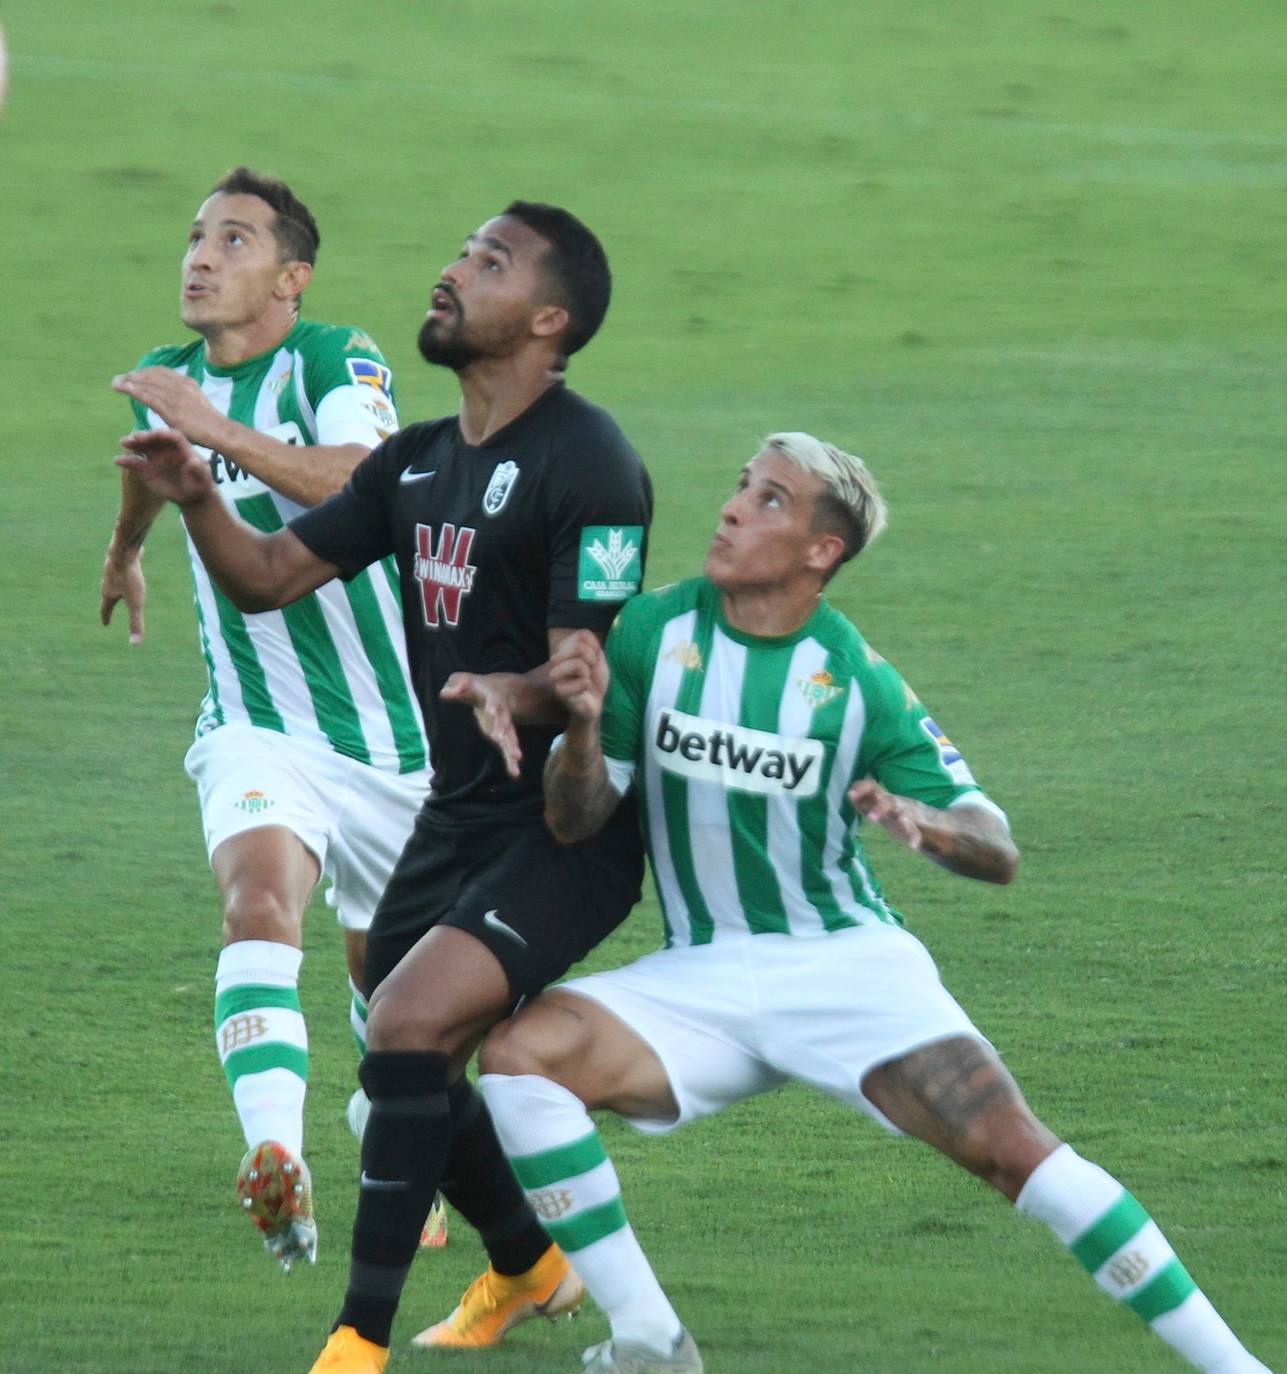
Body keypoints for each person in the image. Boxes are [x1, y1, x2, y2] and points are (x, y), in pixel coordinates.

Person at [472, 432, 1275, 1374]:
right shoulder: (652, 633)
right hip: (701, 976)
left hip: (842, 965)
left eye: (769, 499)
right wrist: (577, 723)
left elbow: (995, 844)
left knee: (1014, 1154)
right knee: (521, 1058)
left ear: (823, 551)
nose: (731, 509)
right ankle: (651, 1341)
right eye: (740, 487)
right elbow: (576, 819)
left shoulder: (856, 682)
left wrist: (933, 830)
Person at [114, 200, 654, 1374]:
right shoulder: (421, 462)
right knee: (405, 1057)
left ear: (548, 323)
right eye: (459, 247)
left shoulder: (592, 463)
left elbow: (588, 678)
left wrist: (525, 692)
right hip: (455, 815)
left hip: (566, 829)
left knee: (409, 1028)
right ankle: (528, 1266)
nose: (453, 268)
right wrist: (197, 494)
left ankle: (356, 1341)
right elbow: (266, 579)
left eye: (490, 261)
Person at [99, 167, 441, 1270]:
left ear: (292, 279)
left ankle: (380, 1125)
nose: (201, 256)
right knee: (256, 906)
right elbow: (160, 467)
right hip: (258, 725)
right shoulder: (176, 381)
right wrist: (127, 543)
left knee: (392, 997)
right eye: (197, 236)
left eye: (235, 241)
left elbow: (361, 475)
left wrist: (208, 430)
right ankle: (278, 1165)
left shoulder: (336, 358)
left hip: (395, 740)